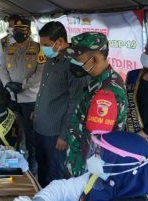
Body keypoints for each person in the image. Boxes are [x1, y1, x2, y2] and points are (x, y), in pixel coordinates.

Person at [14, 132, 148, 201]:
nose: (94, 158)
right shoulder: (99, 179)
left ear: (120, 167)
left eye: (101, 155)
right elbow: (62, 188)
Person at [33, 21, 89, 188]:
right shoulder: (52, 58)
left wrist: (65, 135)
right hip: (40, 125)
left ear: (60, 42)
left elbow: (76, 103)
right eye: (41, 44)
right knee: (42, 166)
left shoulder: (74, 65)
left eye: (46, 45)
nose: (42, 48)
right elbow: (44, 89)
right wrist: (37, 110)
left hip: (56, 133)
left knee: (55, 173)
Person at [65, 32, 127, 177]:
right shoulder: (96, 80)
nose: (75, 63)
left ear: (97, 58)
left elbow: (97, 144)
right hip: (77, 158)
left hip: (85, 170)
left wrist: (81, 176)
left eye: (79, 60)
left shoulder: (108, 91)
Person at [0, 18, 43, 174]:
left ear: (28, 32)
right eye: (15, 32)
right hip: (11, 97)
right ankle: (12, 161)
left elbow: (41, 72)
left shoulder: (38, 48)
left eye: (21, 32)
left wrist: (23, 85)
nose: (17, 34)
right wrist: (7, 84)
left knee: (30, 135)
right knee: (12, 131)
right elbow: (2, 69)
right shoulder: (8, 48)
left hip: (30, 98)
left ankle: (31, 167)